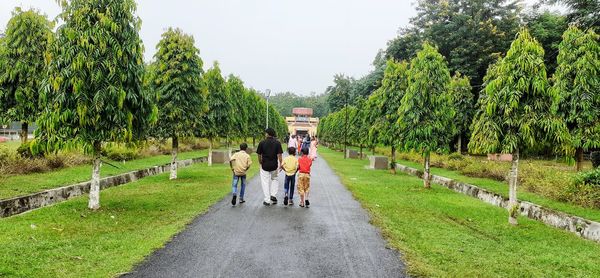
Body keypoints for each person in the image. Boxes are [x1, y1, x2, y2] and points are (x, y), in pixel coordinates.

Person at [256, 128, 283, 206]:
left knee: (265, 182)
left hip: (265, 165)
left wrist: (260, 161)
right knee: (275, 179)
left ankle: (267, 200)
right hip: (274, 165)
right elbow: (279, 155)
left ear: (267, 134)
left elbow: (259, 154)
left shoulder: (262, 143)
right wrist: (281, 163)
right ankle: (273, 194)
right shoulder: (277, 143)